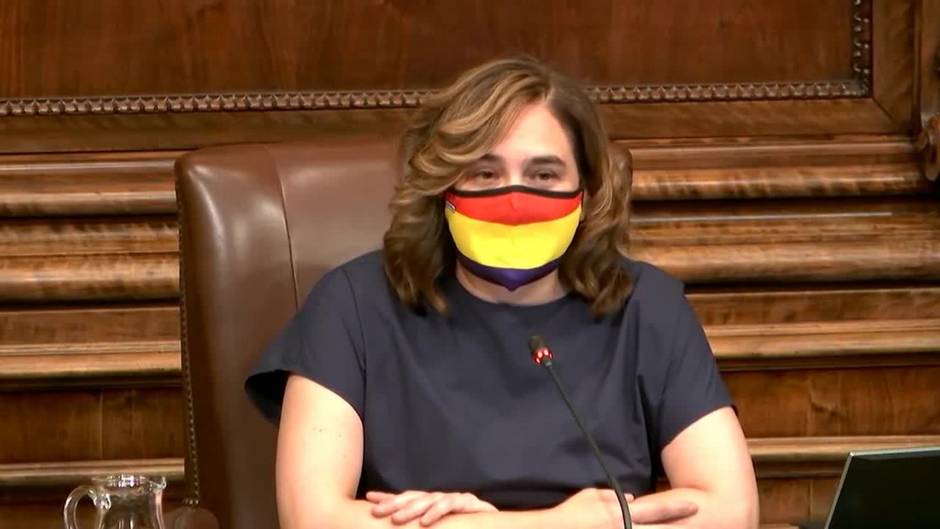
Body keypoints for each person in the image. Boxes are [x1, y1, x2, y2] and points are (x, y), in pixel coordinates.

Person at [245, 57, 758, 529]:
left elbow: (730, 510)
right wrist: (574, 522)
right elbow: (312, 519)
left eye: (543, 174)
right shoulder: (353, 305)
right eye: (484, 172)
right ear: (442, 185)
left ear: (588, 189)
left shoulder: (645, 305)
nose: (514, 198)